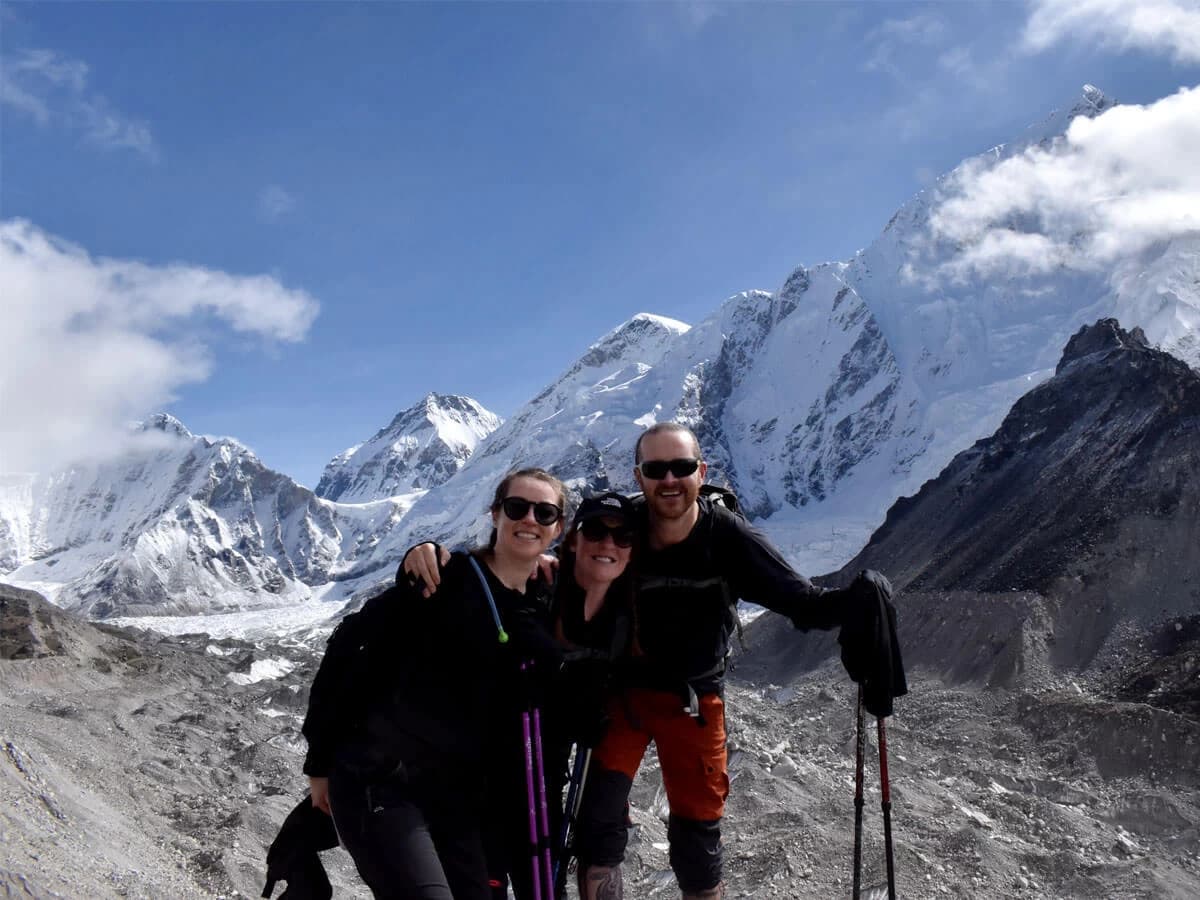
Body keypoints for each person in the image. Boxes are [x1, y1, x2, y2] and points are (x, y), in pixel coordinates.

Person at [573, 422, 887, 900]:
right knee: (598, 823)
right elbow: (550, 567)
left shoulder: (728, 537)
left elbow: (800, 601)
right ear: (639, 477)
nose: (670, 480)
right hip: (624, 697)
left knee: (696, 840)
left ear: (701, 472)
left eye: (681, 468)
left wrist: (856, 602)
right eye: (657, 469)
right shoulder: (621, 531)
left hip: (695, 699)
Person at [299, 467, 567, 899]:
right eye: (517, 507)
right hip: (382, 781)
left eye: (545, 512)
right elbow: (350, 647)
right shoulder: (442, 579)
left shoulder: (542, 601)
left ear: (557, 528)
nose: (530, 519)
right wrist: (319, 762)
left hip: (456, 799)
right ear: (495, 513)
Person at [402, 491, 638, 900]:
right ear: (573, 538)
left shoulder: (627, 606)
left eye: (622, 537)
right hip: (487, 776)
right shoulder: (542, 587)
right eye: (595, 531)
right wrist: (421, 551)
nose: (608, 544)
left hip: (545, 782)